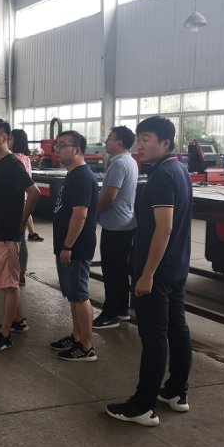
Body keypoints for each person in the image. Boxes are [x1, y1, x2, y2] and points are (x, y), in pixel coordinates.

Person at [106, 116, 193, 427]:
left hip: (157, 272)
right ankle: (176, 391)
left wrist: (147, 274)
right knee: (177, 330)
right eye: (139, 139)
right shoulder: (179, 170)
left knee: (154, 337)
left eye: (146, 139)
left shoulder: (162, 177)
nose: (139, 146)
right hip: (177, 267)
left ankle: (142, 405)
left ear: (165, 143)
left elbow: (164, 228)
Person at [0, 119, 40, 352]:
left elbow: (34, 192)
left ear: (4, 138)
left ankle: (4, 334)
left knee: (9, 285)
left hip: (6, 234)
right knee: (5, 282)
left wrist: (22, 222)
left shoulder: (12, 163)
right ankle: (18, 320)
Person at [50, 131, 99, 362]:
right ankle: (77, 336)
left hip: (76, 248)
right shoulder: (73, 174)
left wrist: (68, 246)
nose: (57, 149)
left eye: (62, 145)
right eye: (56, 145)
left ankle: (87, 346)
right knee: (72, 294)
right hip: (66, 246)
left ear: (77, 150)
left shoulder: (82, 177)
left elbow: (80, 216)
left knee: (79, 295)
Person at [93, 126, 138, 329]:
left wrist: (92, 212)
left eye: (110, 138)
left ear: (119, 142)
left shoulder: (118, 164)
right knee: (120, 269)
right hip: (125, 223)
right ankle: (121, 309)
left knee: (111, 271)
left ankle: (109, 314)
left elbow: (109, 196)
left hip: (115, 225)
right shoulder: (130, 160)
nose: (106, 142)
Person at [8, 130, 44, 288]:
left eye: (10, 138)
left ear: (16, 141)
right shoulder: (26, 159)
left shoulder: (13, 159)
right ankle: (21, 274)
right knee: (21, 240)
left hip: (14, 203)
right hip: (24, 202)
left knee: (12, 241)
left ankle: (12, 274)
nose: (7, 141)